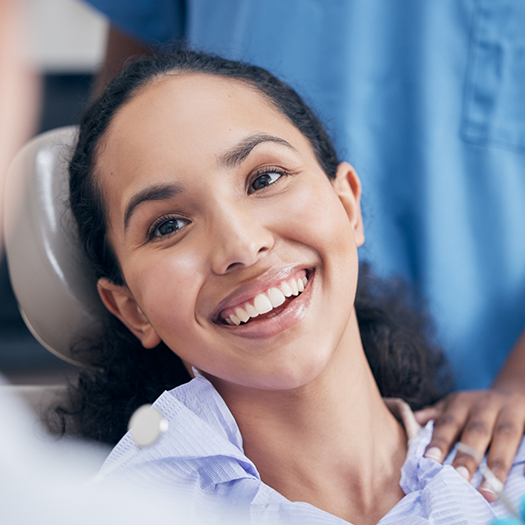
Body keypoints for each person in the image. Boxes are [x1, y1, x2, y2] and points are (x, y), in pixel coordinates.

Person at [55, 49, 525, 523]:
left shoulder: (511, 475)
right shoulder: (124, 513)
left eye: (265, 178)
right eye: (169, 225)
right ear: (132, 309)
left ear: (348, 205)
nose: (240, 245)